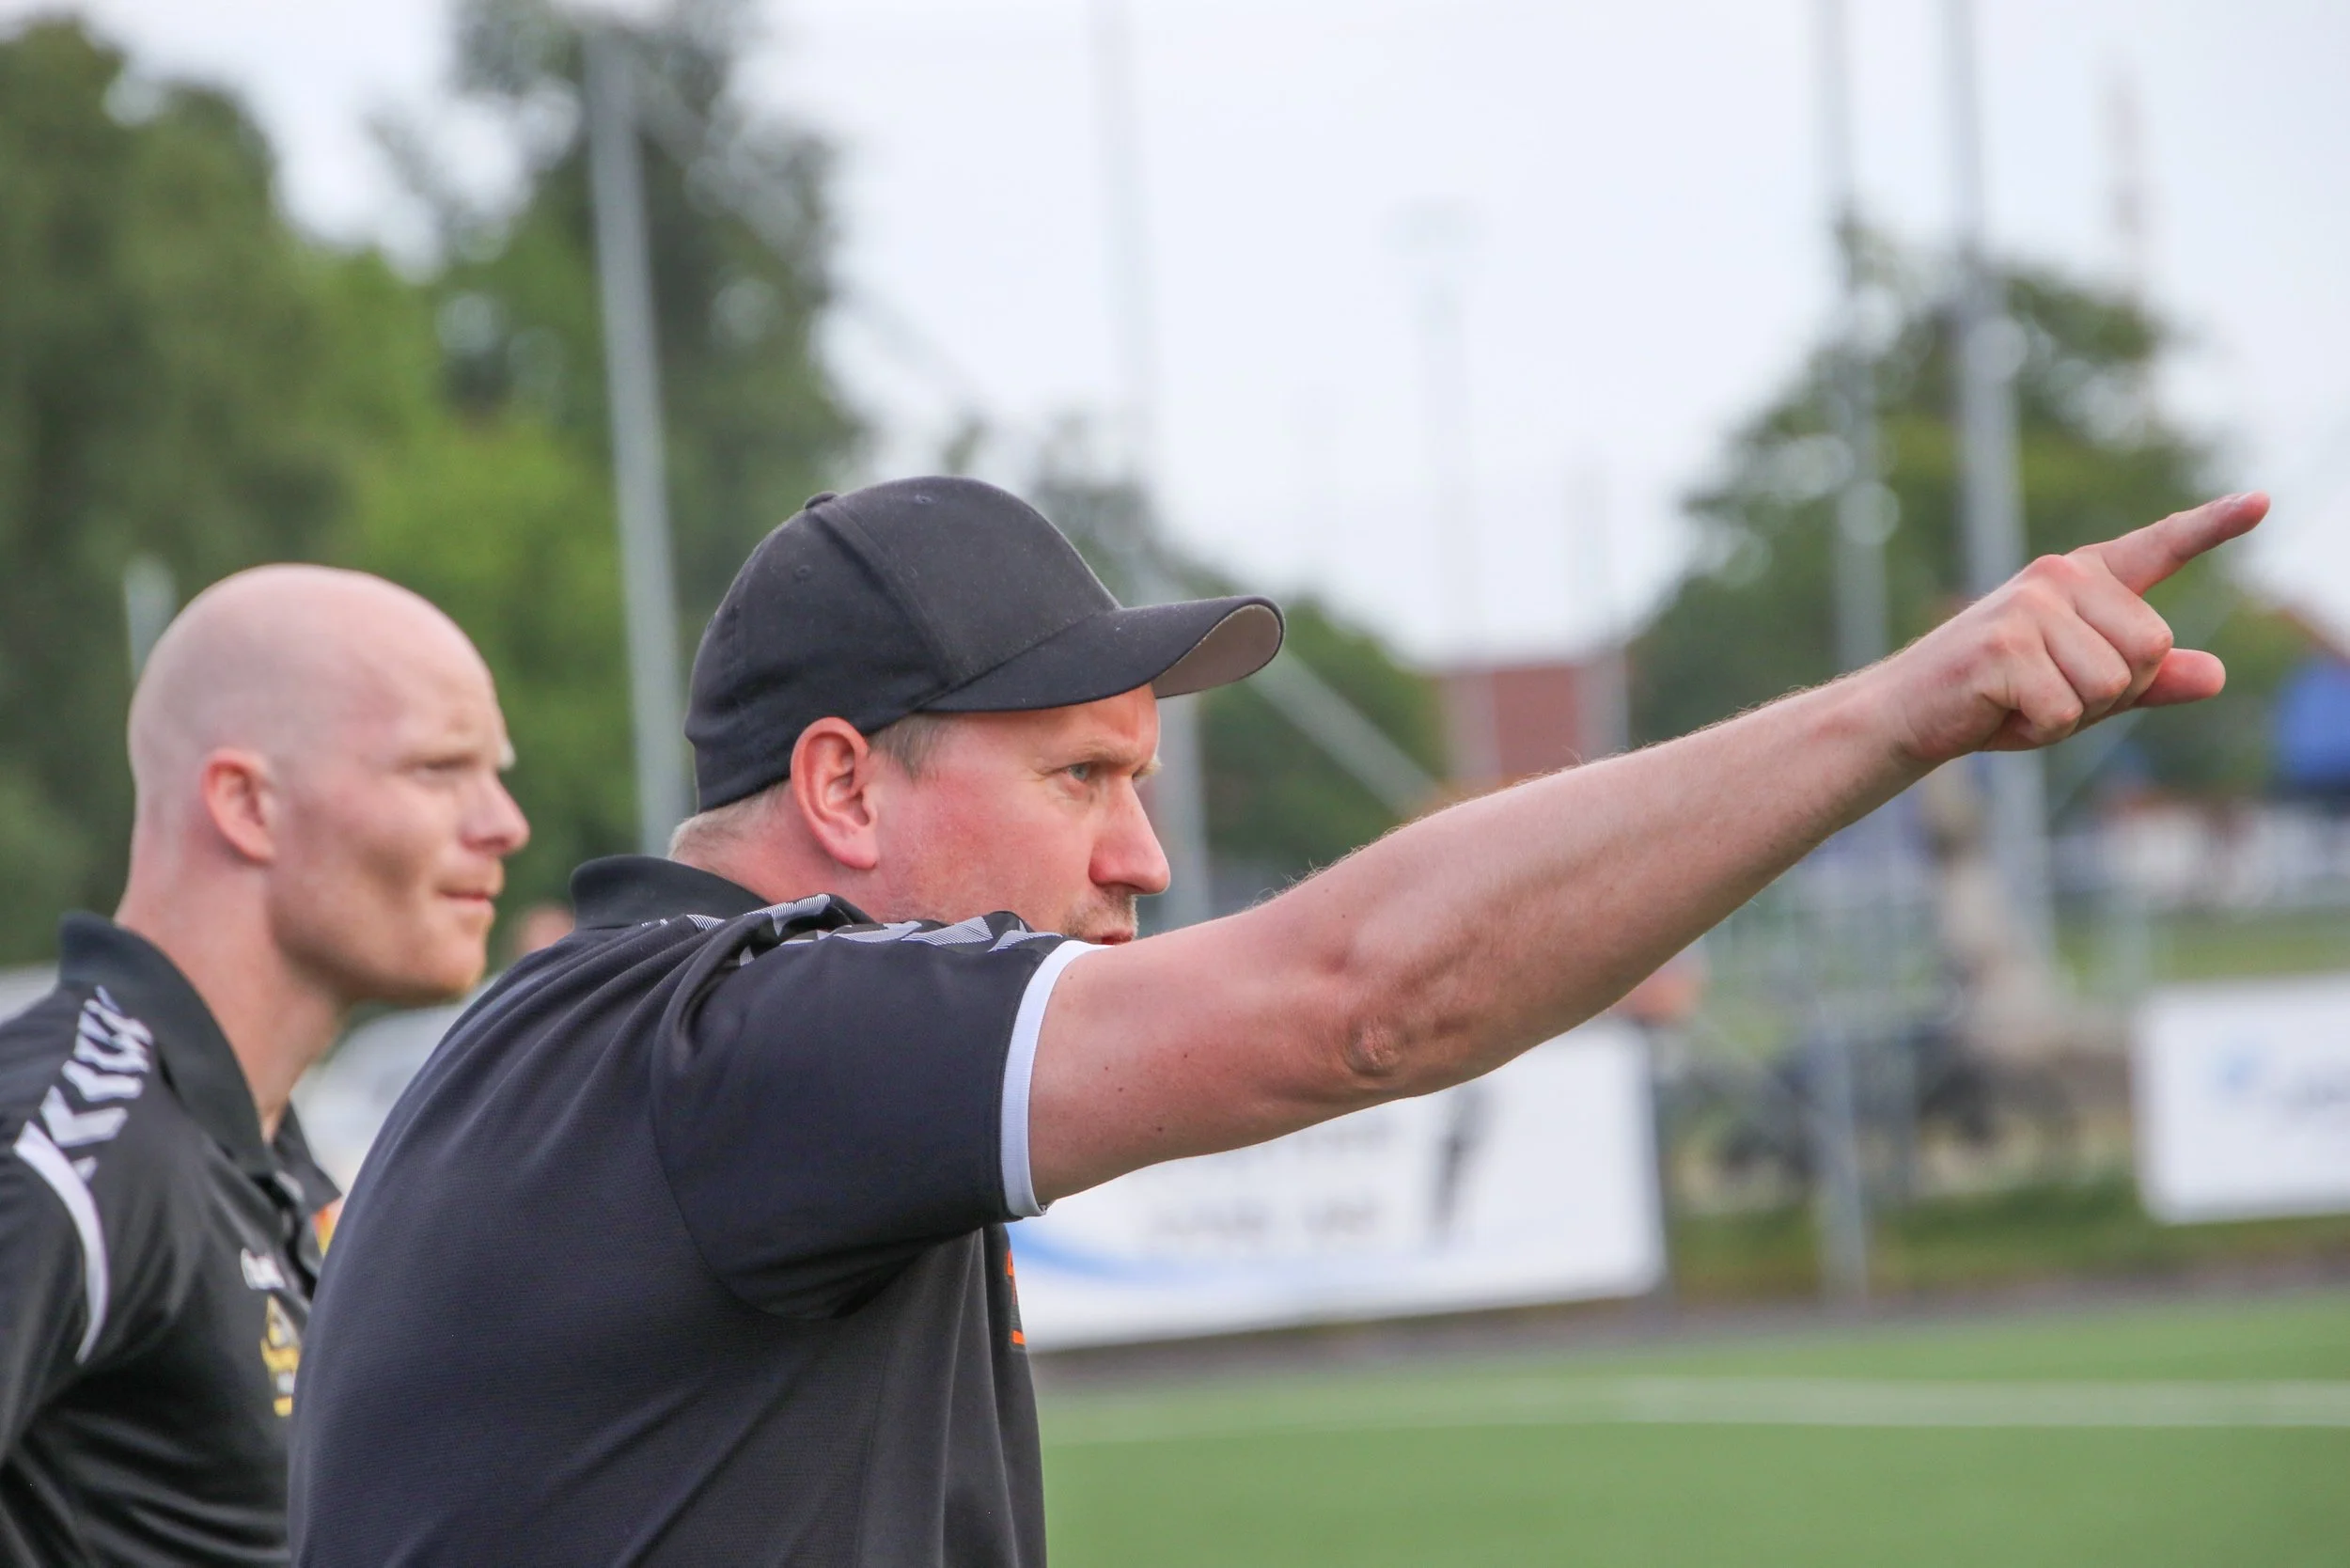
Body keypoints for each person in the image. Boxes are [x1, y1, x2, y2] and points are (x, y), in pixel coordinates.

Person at [290, 478, 2264, 1566]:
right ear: (839, 791)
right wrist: (1901, 710)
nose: (1139, 858)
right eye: (1079, 778)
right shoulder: (734, 1046)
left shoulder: (649, 1059)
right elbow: (1358, 1002)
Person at [0, 566, 530, 1564]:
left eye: (495, 770)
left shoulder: (263, 1155)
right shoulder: (72, 1138)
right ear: (247, 804)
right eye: (437, 769)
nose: (505, 823)